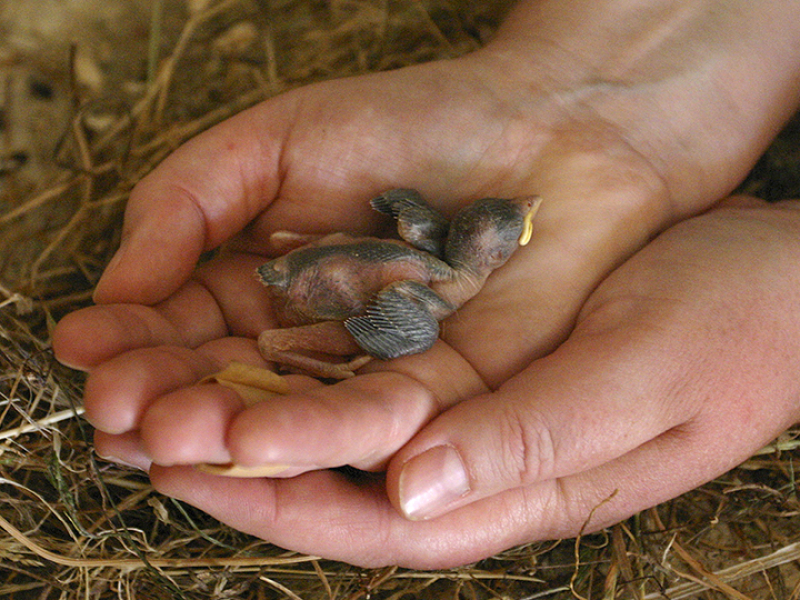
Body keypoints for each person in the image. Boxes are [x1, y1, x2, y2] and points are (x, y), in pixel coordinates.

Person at [52, 0, 800, 569]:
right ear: (498, 253)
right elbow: (396, 297)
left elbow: (403, 224)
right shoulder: (440, 295)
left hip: (326, 269)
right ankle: (290, 333)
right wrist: (580, 72)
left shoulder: (427, 244)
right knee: (352, 320)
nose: (531, 220)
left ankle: (294, 273)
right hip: (320, 297)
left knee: (357, 279)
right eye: (524, 229)